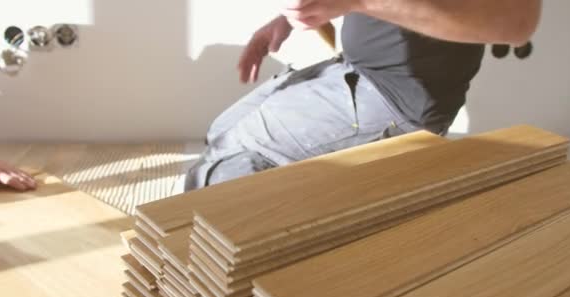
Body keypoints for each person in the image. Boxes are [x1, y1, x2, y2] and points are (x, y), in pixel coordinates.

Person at [185, 0, 542, 190]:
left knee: (220, 170)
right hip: (352, 70)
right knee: (220, 132)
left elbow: (517, 20)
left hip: (396, 99)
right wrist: (287, 20)